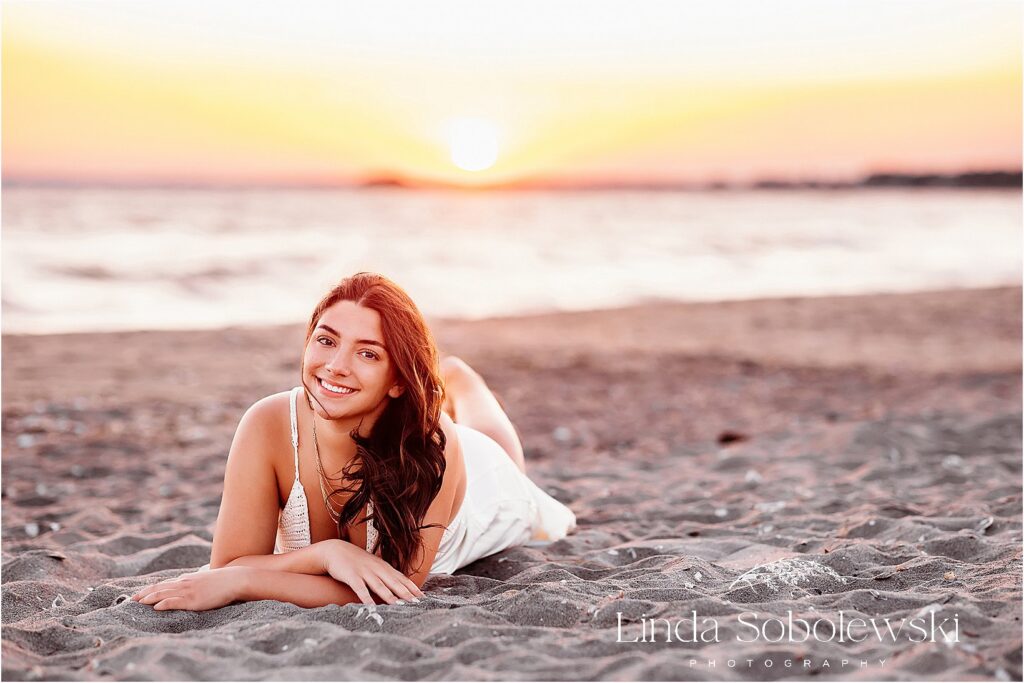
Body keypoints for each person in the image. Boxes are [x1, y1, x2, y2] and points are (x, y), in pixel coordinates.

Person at [132, 272, 576, 611]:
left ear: (398, 379)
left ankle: (457, 378)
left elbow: (392, 591)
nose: (336, 366)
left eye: (368, 353)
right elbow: (229, 561)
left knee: (498, 448)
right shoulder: (266, 423)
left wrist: (245, 582)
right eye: (326, 341)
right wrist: (329, 553)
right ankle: (451, 378)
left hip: (484, 485)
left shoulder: (434, 444)